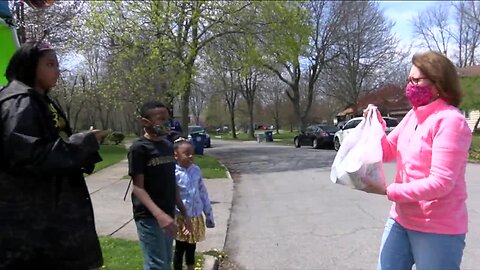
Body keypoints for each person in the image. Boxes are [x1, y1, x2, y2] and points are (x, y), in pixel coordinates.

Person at [362, 51, 472, 270]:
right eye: (408, 80)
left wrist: (389, 191)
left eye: (416, 80)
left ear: (438, 82)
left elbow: (441, 183)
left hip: (437, 227)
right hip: (401, 218)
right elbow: (387, 151)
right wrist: (375, 125)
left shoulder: (450, 121)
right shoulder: (413, 115)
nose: (410, 86)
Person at [0, 41, 104, 269]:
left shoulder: (43, 101)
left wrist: (85, 150)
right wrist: (84, 143)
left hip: (52, 220)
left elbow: (57, 144)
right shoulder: (19, 102)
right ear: (29, 65)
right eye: (50, 64)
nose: (57, 70)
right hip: (31, 229)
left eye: (58, 64)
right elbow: (30, 155)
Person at [128, 101, 192, 270]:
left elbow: (172, 182)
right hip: (149, 216)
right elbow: (138, 188)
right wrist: (159, 215)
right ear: (145, 122)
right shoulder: (139, 149)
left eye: (167, 119)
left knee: (166, 262)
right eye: (160, 119)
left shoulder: (167, 146)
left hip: (168, 212)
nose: (165, 123)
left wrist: (184, 213)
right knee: (157, 264)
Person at [172, 138, 215, 270]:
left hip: (196, 216)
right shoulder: (173, 172)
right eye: (186, 153)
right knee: (180, 248)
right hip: (180, 218)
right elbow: (172, 196)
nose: (190, 156)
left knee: (191, 247)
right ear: (176, 155)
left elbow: (203, 193)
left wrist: (209, 215)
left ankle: (191, 268)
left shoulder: (196, 170)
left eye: (192, 153)